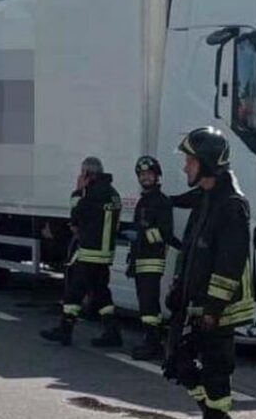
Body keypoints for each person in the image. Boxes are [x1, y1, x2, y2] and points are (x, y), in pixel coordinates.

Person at [167, 126, 255, 419]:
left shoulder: (232, 205)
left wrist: (212, 309)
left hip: (220, 307)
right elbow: (190, 250)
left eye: (190, 161)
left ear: (206, 163)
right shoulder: (207, 197)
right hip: (198, 301)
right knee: (179, 362)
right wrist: (179, 288)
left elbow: (229, 264)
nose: (186, 167)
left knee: (216, 372)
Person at [41, 156, 123, 347]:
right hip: (105, 255)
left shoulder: (91, 195)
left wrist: (78, 191)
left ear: (87, 174)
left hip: (89, 253)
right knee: (101, 293)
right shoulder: (113, 194)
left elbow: (75, 216)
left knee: (73, 293)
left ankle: (65, 330)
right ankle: (112, 332)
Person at [126, 155, 173, 361]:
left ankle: (153, 343)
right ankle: (151, 340)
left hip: (152, 260)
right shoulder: (144, 200)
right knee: (145, 304)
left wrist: (142, 235)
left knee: (149, 305)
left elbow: (164, 232)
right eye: (142, 174)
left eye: (149, 174)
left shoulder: (161, 201)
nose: (145, 178)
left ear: (157, 176)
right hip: (141, 259)